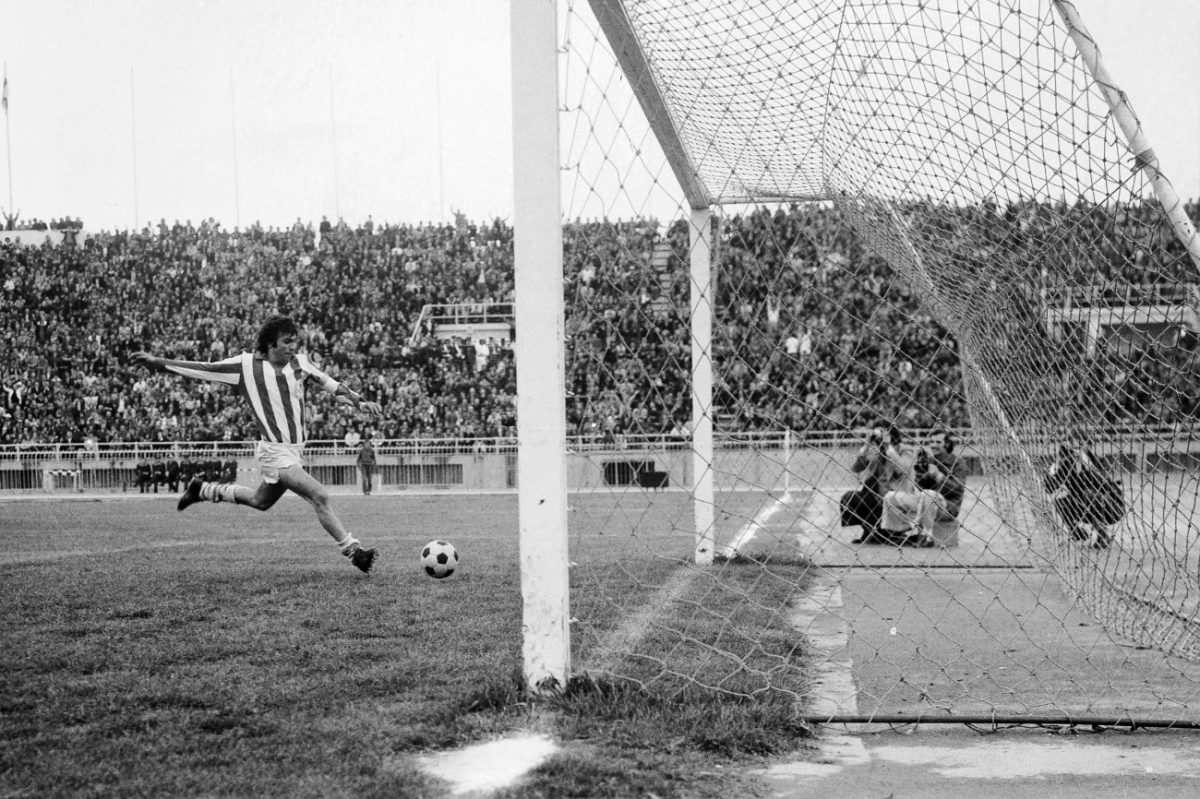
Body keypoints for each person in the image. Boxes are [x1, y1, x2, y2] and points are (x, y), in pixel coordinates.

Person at [131, 316, 384, 573]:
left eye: (294, 341)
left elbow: (332, 385)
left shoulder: (301, 363)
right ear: (270, 344)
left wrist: (360, 402)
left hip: (294, 451)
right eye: (287, 342)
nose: (292, 347)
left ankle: (203, 489)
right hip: (275, 451)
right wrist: (158, 363)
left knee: (260, 501)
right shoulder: (245, 366)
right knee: (319, 496)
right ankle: (354, 551)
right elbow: (204, 369)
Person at [880, 430, 966, 547]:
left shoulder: (958, 462)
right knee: (890, 496)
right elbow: (919, 486)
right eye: (932, 442)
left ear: (947, 444)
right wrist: (918, 475)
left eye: (938, 442)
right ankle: (898, 532)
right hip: (923, 503)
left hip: (947, 506)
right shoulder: (928, 460)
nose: (934, 445)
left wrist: (939, 476)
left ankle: (926, 536)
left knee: (928, 494)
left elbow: (958, 489)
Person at [1044, 442, 1124, 549]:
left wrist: (1054, 470)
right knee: (1076, 497)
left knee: (1064, 501)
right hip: (1115, 507)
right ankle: (1098, 533)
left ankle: (1082, 536)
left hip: (1110, 508)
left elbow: (1049, 487)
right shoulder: (1086, 463)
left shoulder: (1074, 466)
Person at [841, 423, 908, 545]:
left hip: (896, 500)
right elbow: (856, 467)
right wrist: (866, 445)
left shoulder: (904, 450)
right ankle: (870, 531)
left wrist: (889, 447)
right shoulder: (876, 452)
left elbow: (902, 469)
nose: (879, 439)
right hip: (876, 498)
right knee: (848, 498)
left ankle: (891, 533)